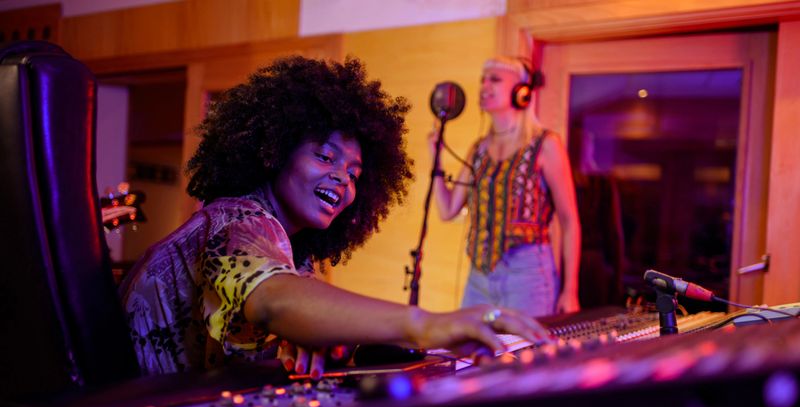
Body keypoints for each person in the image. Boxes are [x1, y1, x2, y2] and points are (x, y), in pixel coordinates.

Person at [120, 55, 548, 379]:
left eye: (354, 172)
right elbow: (275, 301)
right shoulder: (236, 219)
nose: (341, 178)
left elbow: (297, 308)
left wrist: (315, 336)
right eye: (325, 156)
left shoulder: (290, 254)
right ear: (276, 151)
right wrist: (427, 324)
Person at [432, 56, 581, 317]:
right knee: (472, 353)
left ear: (521, 93)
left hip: (529, 276)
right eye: (483, 80)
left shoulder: (546, 144)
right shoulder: (477, 149)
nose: (484, 86)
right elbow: (447, 210)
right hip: (478, 275)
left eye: (495, 79)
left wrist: (570, 290)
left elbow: (569, 222)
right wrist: (436, 160)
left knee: (526, 355)